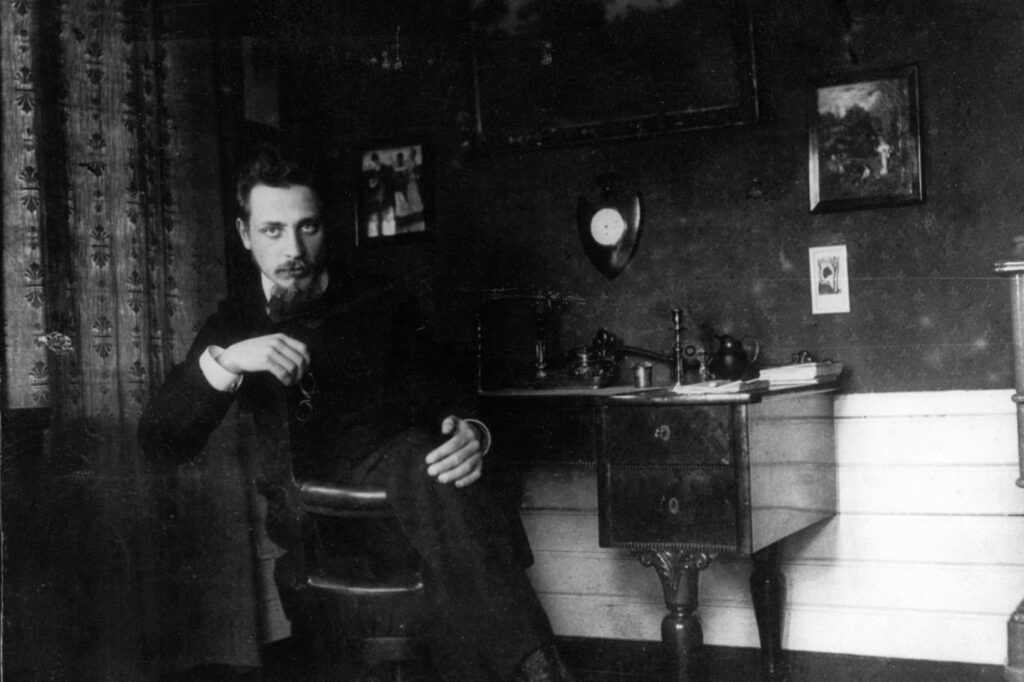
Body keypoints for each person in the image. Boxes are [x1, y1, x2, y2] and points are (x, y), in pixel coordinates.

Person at [139, 148, 573, 681]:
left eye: (308, 227)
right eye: (273, 231)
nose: (294, 249)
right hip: (318, 527)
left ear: (326, 226)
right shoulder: (233, 324)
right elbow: (160, 441)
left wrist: (473, 433)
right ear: (245, 234)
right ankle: (541, 668)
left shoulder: (383, 298)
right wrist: (228, 361)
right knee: (431, 484)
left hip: (417, 508)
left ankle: (538, 670)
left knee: (427, 466)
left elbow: (451, 390)